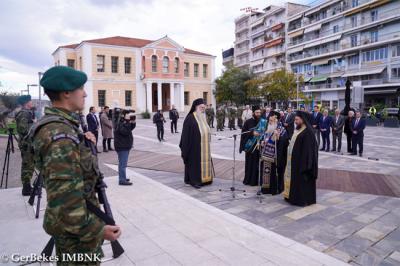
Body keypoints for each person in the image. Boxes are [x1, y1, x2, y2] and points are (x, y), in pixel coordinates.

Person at [33, 66, 121, 262]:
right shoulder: (60, 135)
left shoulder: (65, 129)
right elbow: (65, 203)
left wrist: (82, 142)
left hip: (77, 228)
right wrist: (98, 231)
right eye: (80, 88)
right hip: (76, 236)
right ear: (66, 93)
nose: (85, 93)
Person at [283, 111, 318, 206]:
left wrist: (304, 164)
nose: (295, 121)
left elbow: (309, 151)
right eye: (295, 119)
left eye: (297, 119)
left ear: (303, 120)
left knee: (302, 182)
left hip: (302, 163)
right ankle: (293, 197)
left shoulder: (308, 132)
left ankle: (301, 200)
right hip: (294, 162)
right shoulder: (299, 129)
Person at [179, 98, 213, 189]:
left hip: (203, 147)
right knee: (194, 164)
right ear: (196, 107)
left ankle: (205, 179)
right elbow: (185, 135)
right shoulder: (190, 118)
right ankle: (194, 181)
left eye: (203, 108)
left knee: (202, 163)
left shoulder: (202, 117)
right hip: (193, 147)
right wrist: (185, 149)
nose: (203, 109)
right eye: (201, 108)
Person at [260, 111, 289, 195]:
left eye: (272, 119)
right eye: (269, 119)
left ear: (276, 119)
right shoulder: (268, 127)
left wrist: (277, 138)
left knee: (276, 173)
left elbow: (284, 142)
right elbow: (264, 136)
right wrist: (262, 142)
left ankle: (276, 189)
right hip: (266, 155)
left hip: (277, 156)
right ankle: (266, 188)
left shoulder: (281, 129)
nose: (270, 121)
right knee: (266, 171)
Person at [239, 106, 266, 186]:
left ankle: (257, 181)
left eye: (259, 113)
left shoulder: (263, 122)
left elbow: (265, 132)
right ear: (253, 113)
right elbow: (243, 133)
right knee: (249, 163)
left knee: (257, 164)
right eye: (257, 113)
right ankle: (248, 180)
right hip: (250, 147)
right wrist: (252, 133)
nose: (258, 114)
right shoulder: (248, 122)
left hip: (259, 147)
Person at [15, 94, 35, 195]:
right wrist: (34, 126)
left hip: (27, 143)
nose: (32, 103)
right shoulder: (24, 114)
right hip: (27, 144)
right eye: (30, 101)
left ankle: (27, 187)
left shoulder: (27, 113)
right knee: (27, 165)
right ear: (26, 103)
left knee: (29, 165)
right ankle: (26, 189)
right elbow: (23, 130)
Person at [114, 110, 136, 185]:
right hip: (122, 146)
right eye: (126, 114)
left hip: (124, 145)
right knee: (122, 164)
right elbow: (125, 132)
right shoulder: (118, 123)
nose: (127, 115)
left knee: (123, 163)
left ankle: (122, 177)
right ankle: (122, 180)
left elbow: (129, 129)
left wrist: (133, 122)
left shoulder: (121, 122)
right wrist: (127, 121)